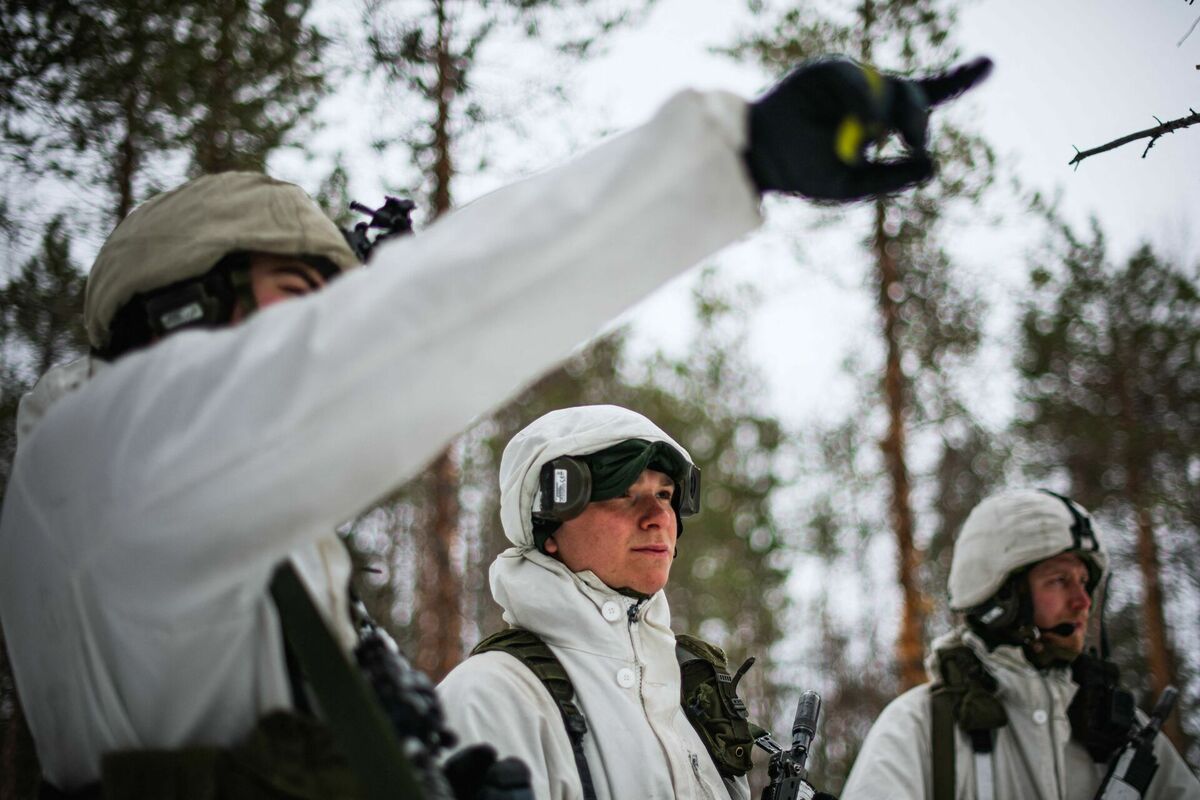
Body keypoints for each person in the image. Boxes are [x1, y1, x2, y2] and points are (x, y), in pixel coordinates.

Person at [0, 55, 990, 795]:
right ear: (179, 308)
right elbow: (413, 318)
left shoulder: (222, 521)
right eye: (297, 291)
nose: (321, 328)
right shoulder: (100, 464)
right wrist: (733, 157)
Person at [438, 404, 771, 800]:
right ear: (549, 523)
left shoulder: (687, 690)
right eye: (623, 493)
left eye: (665, 494)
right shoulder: (491, 698)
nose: (657, 517)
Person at [840, 489, 1200, 800]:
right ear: (1002, 598)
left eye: (1084, 581)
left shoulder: (1123, 733)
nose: (1082, 601)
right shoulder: (920, 726)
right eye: (1059, 580)